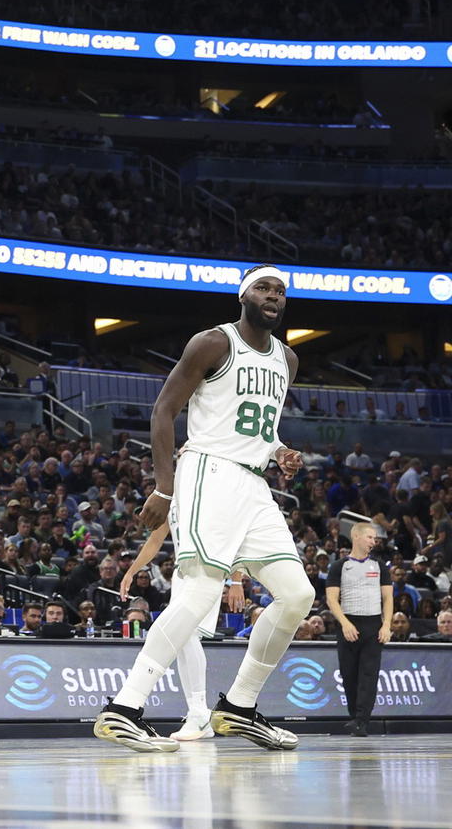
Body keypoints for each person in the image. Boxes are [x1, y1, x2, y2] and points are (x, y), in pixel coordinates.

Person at [94, 265, 308, 753]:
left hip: (254, 486)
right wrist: (163, 488)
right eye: (263, 288)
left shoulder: (287, 359)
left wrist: (279, 453)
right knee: (196, 594)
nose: (273, 296)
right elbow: (164, 410)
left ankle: (239, 706)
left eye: (280, 290)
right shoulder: (213, 342)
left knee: (297, 594)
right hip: (208, 474)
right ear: (243, 295)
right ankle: (124, 708)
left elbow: (259, 427)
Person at [117, 522, 245, 742]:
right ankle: (197, 712)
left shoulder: (208, 489)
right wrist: (132, 570)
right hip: (182, 573)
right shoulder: (171, 495)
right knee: (182, 639)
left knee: (187, 635)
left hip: (207, 569)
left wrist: (236, 580)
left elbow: (234, 533)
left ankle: (199, 712)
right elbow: (155, 540)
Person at [325, 520, 393, 737]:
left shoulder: (380, 566)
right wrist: (345, 623)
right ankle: (355, 717)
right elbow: (331, 599)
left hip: (373, 624)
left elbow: (388, 598)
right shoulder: (339, 566)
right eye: (370, 537)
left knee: (369, 675)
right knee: (349, 674)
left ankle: (362, 721)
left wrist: (386, 625)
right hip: (349, 624)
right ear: (357, 537)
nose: (374, 541)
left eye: (374, 538)